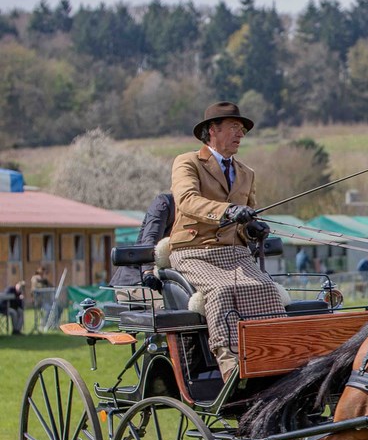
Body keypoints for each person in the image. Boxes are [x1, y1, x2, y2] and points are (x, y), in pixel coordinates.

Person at [168, 101, 283, 381]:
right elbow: (187, 200)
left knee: (267, 288)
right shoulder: (188, 162)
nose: (240, 134)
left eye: (242, 130)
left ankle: (275, 355)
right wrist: (227, 210)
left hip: (235, 254)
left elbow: (245, 219)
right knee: (220, 291)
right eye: (234, 127)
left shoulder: (247, 173)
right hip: (194, 251)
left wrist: (252, 229)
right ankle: (229, 361)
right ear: (212, 130)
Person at [110, 193, 176, 293]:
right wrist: (148, 272)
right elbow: (151, 238)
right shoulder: (164, 203)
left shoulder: (200, 210)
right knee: (173, 303)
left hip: (172, 280)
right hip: (137, 281)